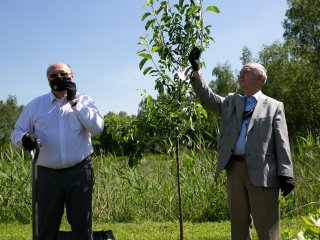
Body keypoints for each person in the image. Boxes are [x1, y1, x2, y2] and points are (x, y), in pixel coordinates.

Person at [188, 47, 295, 240]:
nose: (241, 74)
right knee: (238, 228)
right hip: (234, 169)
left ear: (260, 77)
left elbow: (282, 142)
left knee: (268, 229)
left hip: (263, 172)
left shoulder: (274, 106)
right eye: (240, 72)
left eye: (246, 71)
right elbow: (207, 97)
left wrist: (286, 174)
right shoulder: (231, 101)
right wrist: (196, 70)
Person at [11, 62, 104, 240]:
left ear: (72, 76)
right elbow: (16, 133)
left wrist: (75, 103)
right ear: (48, 80)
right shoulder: (35, 106)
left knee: (81, 224)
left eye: (63, 74)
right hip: (46, 174)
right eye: (53, 76)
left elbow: (97, 128)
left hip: (79, 171)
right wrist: (24, 139)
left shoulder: (84, 100)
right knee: (46, 225)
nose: (59, 78)